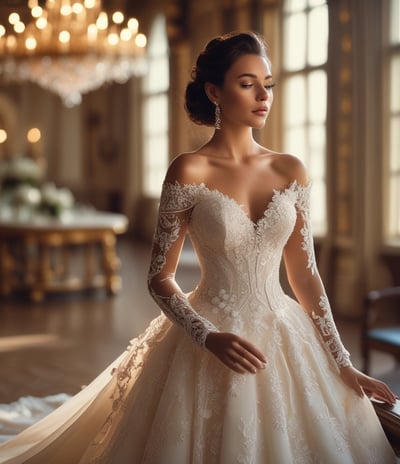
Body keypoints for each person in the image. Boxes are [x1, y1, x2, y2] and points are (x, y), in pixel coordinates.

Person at [0, 31, 397, 464]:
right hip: (208, 335)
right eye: (247, 84)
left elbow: (306, 275)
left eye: (269, 83)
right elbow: (159, 277)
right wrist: (206, 337)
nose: (263, 94)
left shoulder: (291, 169)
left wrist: (341, 362)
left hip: (284, 331)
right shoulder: (189, 170)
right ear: (215, 92)